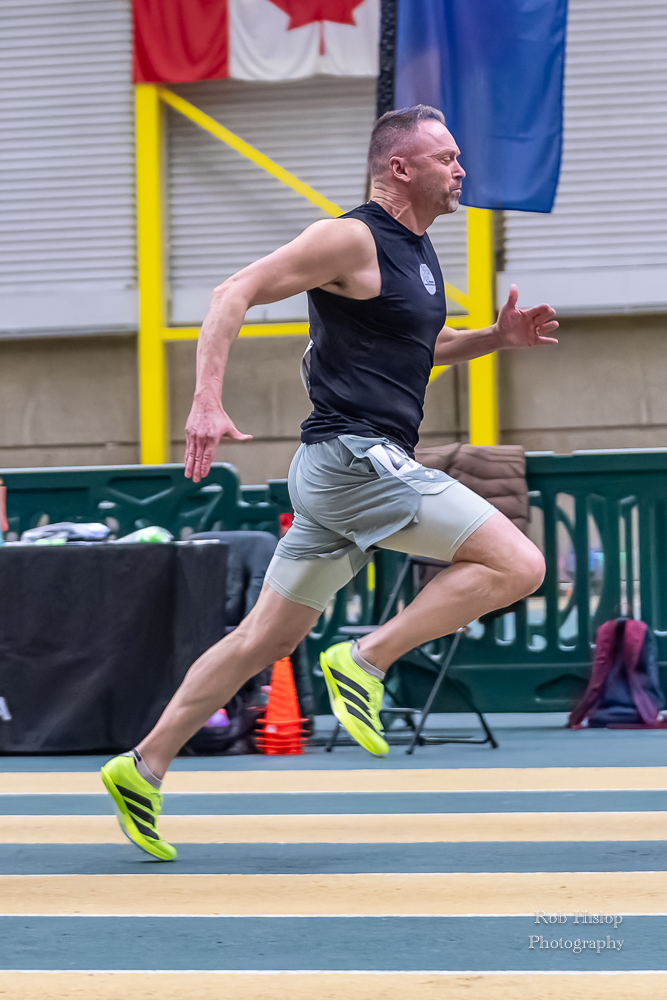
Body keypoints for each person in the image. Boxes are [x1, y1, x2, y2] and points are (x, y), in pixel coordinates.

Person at [101, 105, 558, 860]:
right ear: (399, 168)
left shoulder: (417, 252)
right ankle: (365, 659)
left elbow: (426, 344)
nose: (461, 170)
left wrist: (494, 338)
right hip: (355, 460)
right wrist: (206, 400)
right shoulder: (349, 238)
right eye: (445, 157)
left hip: (337, 476)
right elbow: (232, 291)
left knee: (263, 638)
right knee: (519, 565)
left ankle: (141, 765)